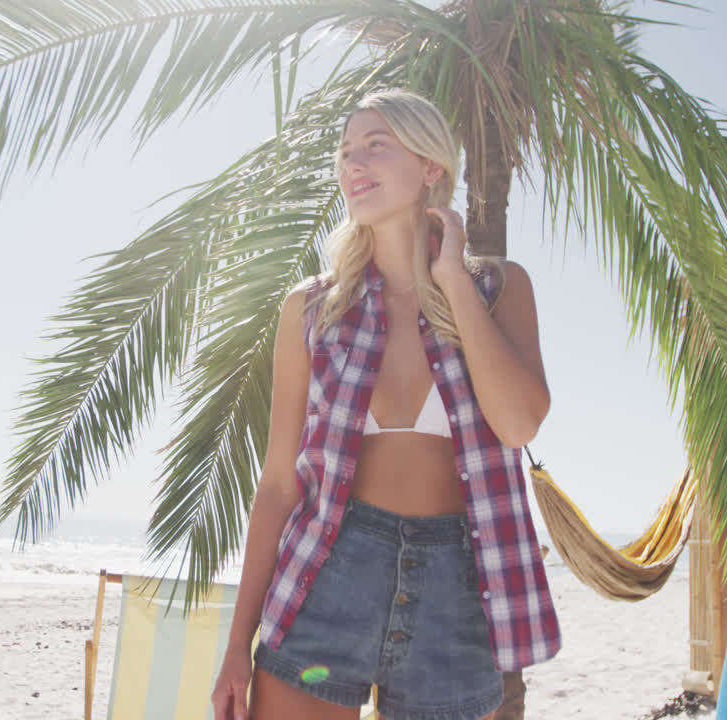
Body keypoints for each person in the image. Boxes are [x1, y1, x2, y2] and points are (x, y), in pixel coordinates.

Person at [210, 88, 560, 720]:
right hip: (327, 571)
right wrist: (237, 644)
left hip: (456, 591)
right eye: (346, 153)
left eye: (376, 146)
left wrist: (451, 277)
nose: (353, 165)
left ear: (431, 167)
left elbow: (518, 421)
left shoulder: (497, 289)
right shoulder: (313, 310)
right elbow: (278, 485)